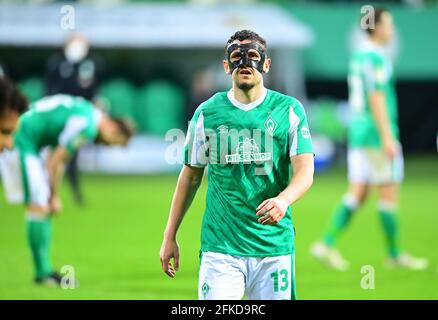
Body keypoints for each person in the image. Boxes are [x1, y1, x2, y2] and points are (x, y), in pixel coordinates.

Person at [160, 30, 314, 300]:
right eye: (237, 57)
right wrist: (169, 235)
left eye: (253, 56)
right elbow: (190, 176)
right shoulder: (207, 112)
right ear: (226, 65)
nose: (245, 63)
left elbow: (305, 171)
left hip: (273, 247)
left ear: (266, 64)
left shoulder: (288, 110)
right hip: (220, 248)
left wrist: (283, 200)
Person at [311, 8, 428, 271]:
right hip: (375, 135)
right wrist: (388, 137)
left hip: (358, 132)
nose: (392, 29)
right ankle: (395, 254)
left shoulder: (359, 55)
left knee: (358, 193)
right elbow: (376, 97)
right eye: (389, 24)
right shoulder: (376, 57)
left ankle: (326, 243)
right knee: (388, 194)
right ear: (376, 28)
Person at [0, 83, 133, 286]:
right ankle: (43, 273)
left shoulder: (86, 111)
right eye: (113, 142)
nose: (107, 145)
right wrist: (54, 196)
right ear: (113, 127)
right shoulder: (88, 125)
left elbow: (57, 159)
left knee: (40, 205)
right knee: (39, 206)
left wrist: (53, 194)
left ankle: (43, 271)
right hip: (23, 139)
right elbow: (55, 162)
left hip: (30, 140)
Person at [45, 33, 103, 205]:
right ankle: (49, 191)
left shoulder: (91, 64)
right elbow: (48, 89)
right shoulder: (57, 64)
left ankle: (70, 191)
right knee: (55, 155)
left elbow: (94, 90)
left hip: (78, 119)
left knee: (70, 156)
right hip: (58, 116)